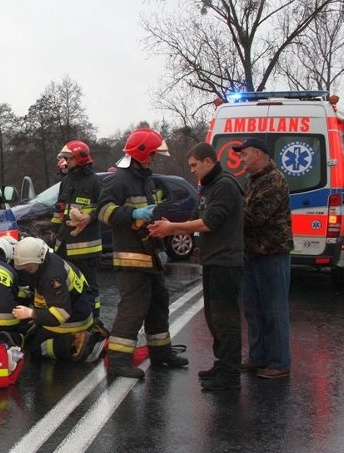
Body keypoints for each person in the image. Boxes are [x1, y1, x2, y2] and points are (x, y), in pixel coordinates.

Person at [148, 142, 244, 390]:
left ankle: (230, 373)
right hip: (212, 260)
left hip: (226, 262)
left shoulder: (224, 185)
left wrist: (173, 228)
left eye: (194, 165)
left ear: (208, 162)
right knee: (214, 317)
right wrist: (171, 224)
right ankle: (222, 364)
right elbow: (195, 218)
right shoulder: (209, 186)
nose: (191, 170)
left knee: (225, 318)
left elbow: (210, 222)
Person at [96, 128, 188, 378]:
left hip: (151, 255)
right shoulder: (118, 180)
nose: (154, 159)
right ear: (141, 152)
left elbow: (151, 212)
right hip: (131, 258)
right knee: (133, 308)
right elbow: (103, 212)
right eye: (152, 154)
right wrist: (133, 214)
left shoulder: (145, 179)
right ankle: (117, 361)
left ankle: (161, 353)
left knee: (158, 304)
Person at [232, 138, 293, 379]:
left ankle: (279, 363)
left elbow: (255, 216)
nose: (241, 158)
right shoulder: (252, 181)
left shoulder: (274, 180)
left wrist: (224, 214)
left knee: (274, 310)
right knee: (253, 310)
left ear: (257, 154)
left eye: (244, 154)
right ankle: (257, 358)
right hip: (252, 253)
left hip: (272, 254)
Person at [11, 237, 104, 362]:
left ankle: (82, 344)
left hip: (72, 320)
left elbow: (61, 315)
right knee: (31, 334)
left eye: (28, 266)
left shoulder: (52, 277)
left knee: (36, 347)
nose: (26, 269)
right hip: (80, 310)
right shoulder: (49, 261)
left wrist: (31, 313)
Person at [52, 140, 109, 341]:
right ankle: (73, 319)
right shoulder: (66, 181)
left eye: (69, 158)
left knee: (89, 287)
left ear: (81, 158)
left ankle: (93, 321)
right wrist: (53, 230)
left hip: (86, 248)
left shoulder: (95, 182)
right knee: (67, 285)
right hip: (65, 246)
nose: (65, 162)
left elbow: (104, 208)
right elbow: (59, 209)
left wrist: (90, 217)